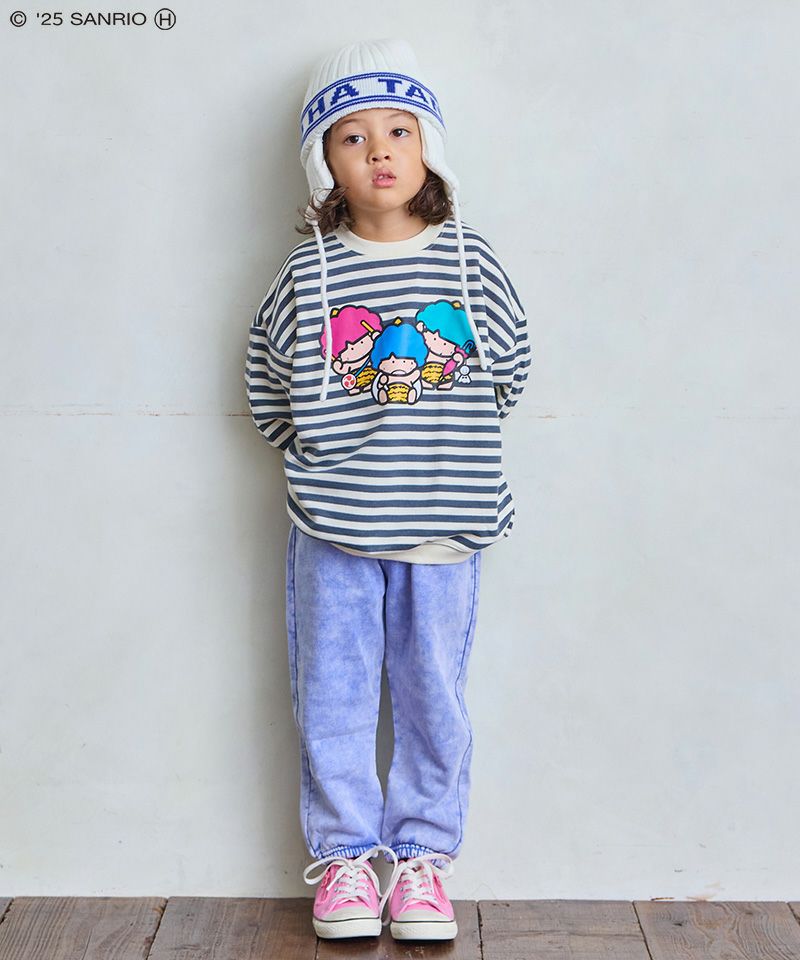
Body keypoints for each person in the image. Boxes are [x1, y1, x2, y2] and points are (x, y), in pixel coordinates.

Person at [244, 38, 531, 943]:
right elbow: (265, 382)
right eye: (352, 136)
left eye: (398, 131)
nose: (378, 151)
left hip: (446, 524)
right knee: (331, 694)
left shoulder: (470, 263)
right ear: (322, 163)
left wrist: (447, 445)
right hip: (333, 528)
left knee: (432, 694)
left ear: (428, 147)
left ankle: (421, 862)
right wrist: (323, 461)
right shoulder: (308, 274)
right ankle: (343, 861)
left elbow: (510, 370)